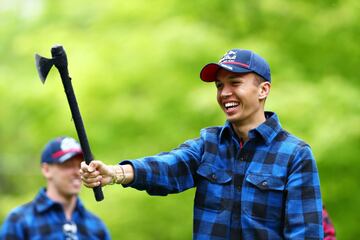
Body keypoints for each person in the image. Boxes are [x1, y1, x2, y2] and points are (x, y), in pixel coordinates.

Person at [80, 49, 323, 239]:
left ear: (263, 90)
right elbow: (169, 167)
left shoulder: (295, 155)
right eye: (219, 85)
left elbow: (305, 234)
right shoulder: (209, 145)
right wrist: (114, 173)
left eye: (234, 83)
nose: (224, 92)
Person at [0, 136, 111, 240]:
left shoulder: (97, 226)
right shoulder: (19, 221)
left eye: (80, 165)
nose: (78, 172)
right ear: (46, 170)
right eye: (67, 165)